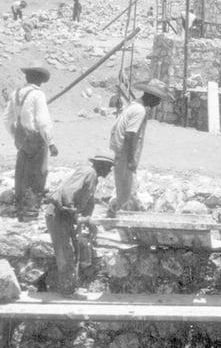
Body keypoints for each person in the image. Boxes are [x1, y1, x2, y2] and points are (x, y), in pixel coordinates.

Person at [45, 152, 114, 298]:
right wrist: (75, 214)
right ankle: (68, 291)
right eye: (109, 166)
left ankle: (72, 286)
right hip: (59, 214)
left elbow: (87, 202)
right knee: (65, 251)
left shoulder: (93, 178)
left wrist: (86, 219)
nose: (110, 170)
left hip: (65, 216)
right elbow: (68, 192)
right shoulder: (89, 172)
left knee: (73, 251)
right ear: (101, 165)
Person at [108, 79, 174, 215]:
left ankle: (119, 215)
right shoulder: (139, 111)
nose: (159, 103)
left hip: (121, 154)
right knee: (127, 193)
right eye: (158, 99)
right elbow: (130, 135)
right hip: (125, 155)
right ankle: (121, 220)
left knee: (123, 191)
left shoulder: (134, 105)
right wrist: (131, 159)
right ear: (152, 97)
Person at [4, 64, 58, 221]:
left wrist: (14, 133)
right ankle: (30, 211)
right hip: (35, 137)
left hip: (21, 138)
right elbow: (43, 120)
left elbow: (7, 118)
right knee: (36, 174)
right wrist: (51, 142)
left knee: (21, 171)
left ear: (27, 77)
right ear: (40, 81)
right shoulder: (38, 95)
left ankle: (20, 207)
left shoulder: (16, 94)